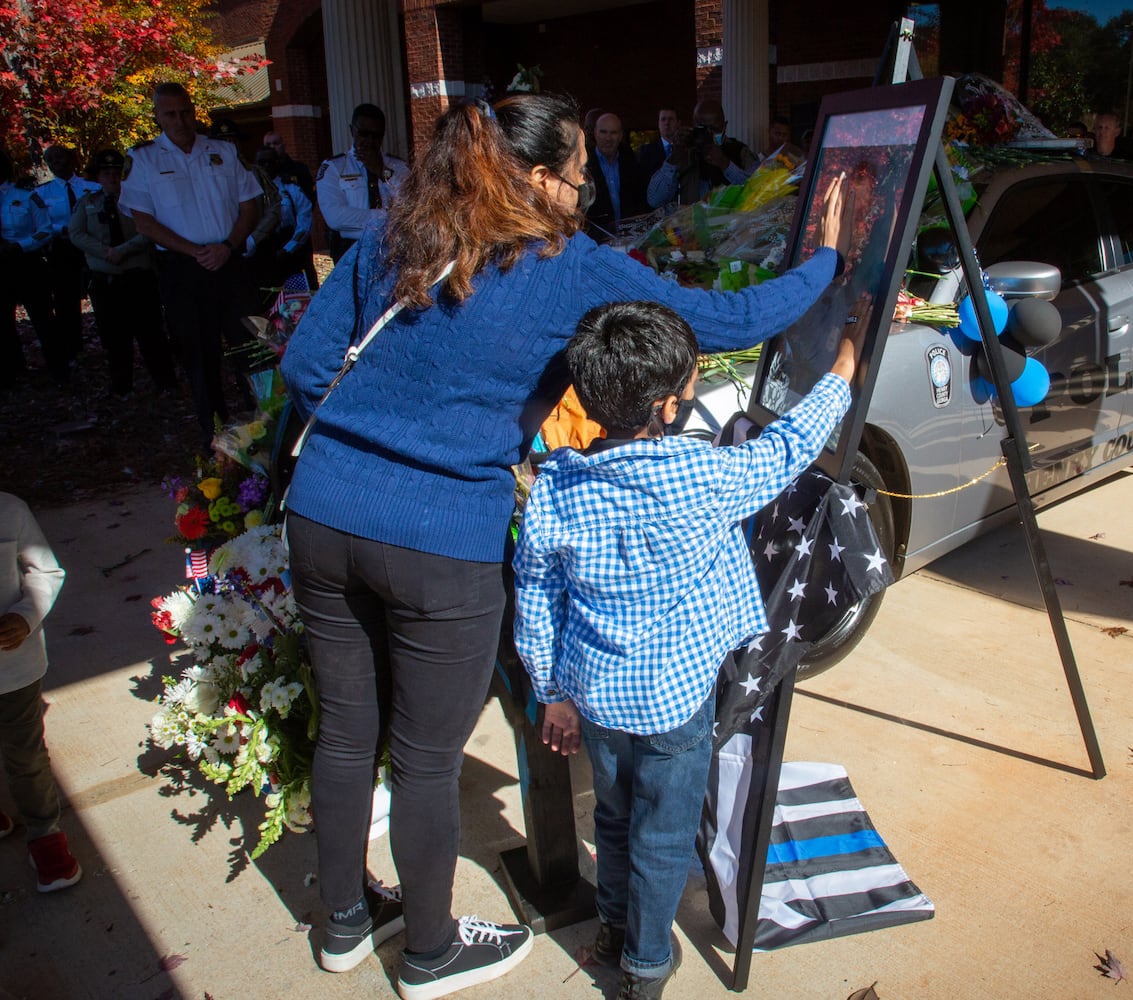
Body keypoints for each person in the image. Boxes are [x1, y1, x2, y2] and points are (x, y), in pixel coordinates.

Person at [278, 93, 847, 1000]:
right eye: (578, 175)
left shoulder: (397, 235)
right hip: (442, 539)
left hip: (321, 514)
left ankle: (346, 922)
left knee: (349, 735)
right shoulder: (564, 261)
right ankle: (428, 950)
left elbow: (306, 369)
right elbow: (722, 323)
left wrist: (373, 450)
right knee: (426, 758)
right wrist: (826, 259)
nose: (583, 192)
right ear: (540, 180)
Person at [513, 295, 857, 1000]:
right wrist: (845, 365)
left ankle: (613, 927)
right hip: (675, 705)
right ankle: (644, 966)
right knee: (661, 838)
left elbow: (537, 602)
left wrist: (551, 693)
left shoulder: (555, 487)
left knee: (612, 816)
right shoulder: (702, 476)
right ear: (668, 408)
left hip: (599, 700)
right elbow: (789, 447)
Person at [119, 81, 262, 447]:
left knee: (252, 348)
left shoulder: (223, 152)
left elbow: (250, 205)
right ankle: (214, 437)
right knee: (200, 355)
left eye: (185, 112)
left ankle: (267, 425)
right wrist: (192, 250)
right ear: (157, 116)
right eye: (170, 114)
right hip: (183, 269)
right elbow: (144, 222)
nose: (180, 121)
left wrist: (228, 245)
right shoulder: (144, 160)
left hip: (229, 263)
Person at [0, 491, 77, 894]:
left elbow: (45, 572)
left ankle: (44, 834)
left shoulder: (9, 511)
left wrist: (24, 615)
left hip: (12, 669)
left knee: (26, 753)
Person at [68, 149, 176, 398]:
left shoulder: (139, 202)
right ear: (97, 177)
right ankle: (121, 386)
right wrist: (105, 251)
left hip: (137, 275)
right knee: (114, 337)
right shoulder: (88, 203)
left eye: (117, 173)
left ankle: (165, 382)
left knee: (151, 333)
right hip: (106, 280)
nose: (112, 178)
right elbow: (77, 233)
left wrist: (124, 250)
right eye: (106, 173)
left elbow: (152, 230)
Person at [1, 150, 63, 390]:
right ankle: (11, 371)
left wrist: (19, 246)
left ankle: (58, 368)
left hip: (26, 264)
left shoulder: (26, 197)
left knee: (43, 318)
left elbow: (45, 229)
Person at [316, 103, 410, 262]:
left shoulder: (398, 167)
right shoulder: (335, 168)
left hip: (392, 248)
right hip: (351, 251)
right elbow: (335, 217)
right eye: (364, 134)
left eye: (376, 135)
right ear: (352, 130)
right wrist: (388, 217)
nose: (369, 141)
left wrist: (382, 172)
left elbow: (411, 204)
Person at [36, 145, 98, 371]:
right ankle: (72, 347)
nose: (57, 163)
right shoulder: (41, 194)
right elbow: (40, 223)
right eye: (51, 160)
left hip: (92, 247)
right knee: (65, 300)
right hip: (62, 250)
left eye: (60, 158)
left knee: (101, 294)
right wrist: (60, 229)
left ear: (71, 159)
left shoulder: (91, 187)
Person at [209, 120, 283, 308]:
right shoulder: (206, 178)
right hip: (222, 252)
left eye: (233, 141)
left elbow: (275, 207)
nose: (229, 146)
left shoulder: (255, 172)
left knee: (266, 304)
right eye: (224, 142)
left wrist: (254, 238)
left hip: (258, 250)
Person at [645, 98, 757, 209]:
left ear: (724, 126)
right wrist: (674, 158)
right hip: (690, 223)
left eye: (714, 129)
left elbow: (758, 190)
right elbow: (655, 200)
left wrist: (726, 165)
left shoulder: (740, 151)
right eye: (703, 129)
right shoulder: (684, 153)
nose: (708, 135)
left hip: (732, 223)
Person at [254, 145, 316, 290]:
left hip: (291, 252)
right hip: (261, 253)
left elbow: (304, 223)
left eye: (270, 161)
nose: (266, 166)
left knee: (298, 300)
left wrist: (288, 249)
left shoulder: (292, 189)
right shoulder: (247, 194)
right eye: (262, 162)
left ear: (278, 162)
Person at [585, 112, 648, 239]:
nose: (608, 138)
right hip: (598, 241)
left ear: (620, 136)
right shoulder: (584, 164)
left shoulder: (632, 162)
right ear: (595, 133)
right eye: (603, 132)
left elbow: (640, 201)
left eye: (613, 133)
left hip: (630, 237)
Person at [262, 130, 316, 200]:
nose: (272, 147)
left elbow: (309, 196)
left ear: (284, 145)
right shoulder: (261, 172)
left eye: (276, 143)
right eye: (268, 144)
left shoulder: (300, 169)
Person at [636, 107, 678, 177]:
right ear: (658, 124)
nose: (667, 123)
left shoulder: (686, 150)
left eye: (671, 119)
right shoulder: (646, 151)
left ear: (677, 123)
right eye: (663, 119)